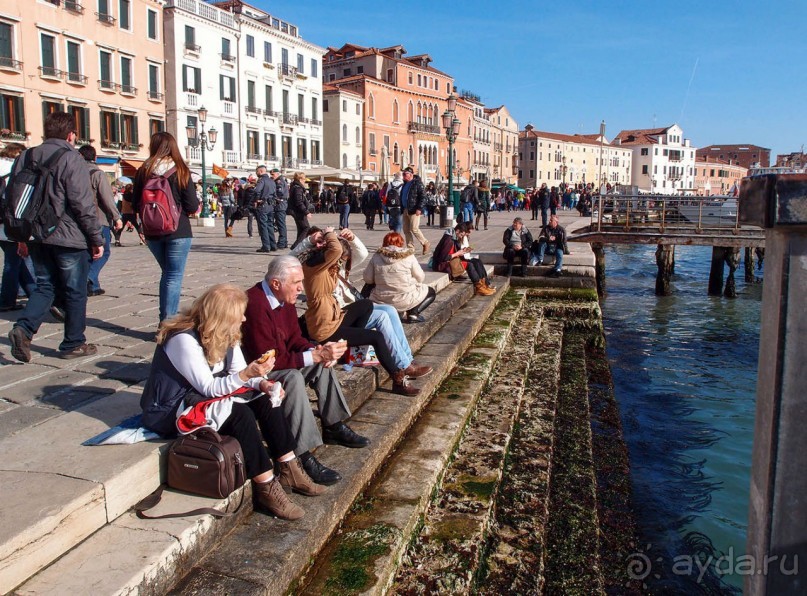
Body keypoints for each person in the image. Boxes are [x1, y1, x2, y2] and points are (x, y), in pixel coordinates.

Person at [139, 284, 323, 520]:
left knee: (265, 400)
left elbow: (237, 372)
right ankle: (266, 484)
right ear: (220, 317)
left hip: (203, 398)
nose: (244, 318)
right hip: (172, 408)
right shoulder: (183, 340)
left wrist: (263, 384)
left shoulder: (227, 332)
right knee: (239, 413)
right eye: (239, 314)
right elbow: (210, 387)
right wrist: (248, 376)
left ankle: (289, 466)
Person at [240, 256, 372, 485]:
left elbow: (295, 339)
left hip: (279, 362)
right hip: (258, 373)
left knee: (320, 363)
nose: (301, 287)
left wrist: (317, 350)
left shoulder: (284, 300)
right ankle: (301, 453)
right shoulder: (255, 305)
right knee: (292, 377)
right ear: (276, 284)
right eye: (296, 282)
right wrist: (313, 355)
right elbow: (268, 361)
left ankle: (333, 424)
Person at [7, 112, 104, 362]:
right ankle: (73, 342)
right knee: (75, 290)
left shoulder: (25, 156)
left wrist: (21, 236)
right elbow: (82, 204)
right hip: (68, 235)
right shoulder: (72, 158)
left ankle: (24, 328)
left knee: (45, 285)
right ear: (71, 134)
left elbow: (13, 198)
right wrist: (96, 238)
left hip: (34, 234)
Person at [293, 228, 432, 379]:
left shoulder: (332, 266)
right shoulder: (312, 269)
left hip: (343, 311)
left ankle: (407, 359)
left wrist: (352, 238)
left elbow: (361, 254)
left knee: (387, 310)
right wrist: (310, 241)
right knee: (382, 317)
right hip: (333, 318)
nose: (341, 261)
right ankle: (403, 366)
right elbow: (287, 260)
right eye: (318, 243)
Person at [131, 132, 199, 323]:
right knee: (173, 276)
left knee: (167, 273)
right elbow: (192, 206)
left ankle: (165, 319)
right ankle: (167, 323)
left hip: (152, 231)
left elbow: (135, 201)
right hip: (178, 230)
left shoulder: (143, 170)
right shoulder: (181, 170)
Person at [78, 145, 123, 296]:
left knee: (88, 253)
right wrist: (117, 217)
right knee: (104, 252)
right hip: (98, 219)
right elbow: (107, 198)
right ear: (95, 158)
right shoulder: (97, 174)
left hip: (77, 219)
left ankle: (94, 286)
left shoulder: (72, 172)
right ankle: (87, 278)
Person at [364, 232, 436, 324]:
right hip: (405, 300)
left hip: (381, 300)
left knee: (368, 286)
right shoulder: (408, 256)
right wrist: (411, 280)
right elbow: (421, 277)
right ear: (401, 243)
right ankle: (413, 313)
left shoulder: (376, 256)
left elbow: (368, 279)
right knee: (430, 292)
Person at [0, 142, 35, 312]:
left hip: (1, 225)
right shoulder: (14, 172)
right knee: (14, 263)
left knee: (17, 261)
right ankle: (7, 300)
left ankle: (34, 294)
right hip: (13, 225)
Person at [432, 222, 495, 296]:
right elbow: (443, 258)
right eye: (461, 235)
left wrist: (462, 252)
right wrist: (457, 254)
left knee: (474, 262)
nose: (461, 237)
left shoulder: (452, 237)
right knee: (469, 265)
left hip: (450, 261)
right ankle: (479, 287)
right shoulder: (448, 240)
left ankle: (483, 285)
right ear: (457, 231)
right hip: (441, 265)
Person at [400, 167, 430, 256]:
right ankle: (410, 248)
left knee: (414, 228)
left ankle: (425, 242)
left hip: (414, 209)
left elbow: (423, 197)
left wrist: (419, 208)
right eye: (403, 174)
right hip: (405, 209)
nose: (403, 176)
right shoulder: (404, 184)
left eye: (405, 174)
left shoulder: (417, 183)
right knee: (406, 230)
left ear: (411, 174)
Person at [253, 165, 277, 252]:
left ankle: (266, 246)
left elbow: (257, 190)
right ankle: (273, 245)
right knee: (270, 225)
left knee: (263, 225)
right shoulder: (271, 181)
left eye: (257, 172)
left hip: (263, 204)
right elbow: (275, 193)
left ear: (260, 171)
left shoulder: (262, 180)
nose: (256, 174)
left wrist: (257, 200)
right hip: (270, 205)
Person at [288, 172, 313, 250]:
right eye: (304, 178)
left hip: (296, 210)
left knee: (301, 229)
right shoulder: (298, 188)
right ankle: (295, 247)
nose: (305, 180)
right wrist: (306, 212)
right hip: (298, 211)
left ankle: (298, 247)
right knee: (306, 228)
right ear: (300, 179)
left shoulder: (295, 186)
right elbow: (299, 202)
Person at [270, 168, 289, 249]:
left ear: (277, 174)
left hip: (280, 205)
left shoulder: (279, 181)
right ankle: (284, 242)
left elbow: (279, 193)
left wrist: (273, 197)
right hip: (281, 204)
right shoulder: (280, 180)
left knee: (281, 224)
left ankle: (282, 242)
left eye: (273, 174)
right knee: (281, 224)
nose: (271, 176)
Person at [239, 174, 258, 238]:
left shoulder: (246, 189)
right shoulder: (257, 190)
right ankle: (261, 232)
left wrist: (243, 205)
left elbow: (243, 198)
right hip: (256, 206)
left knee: (250, 221)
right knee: (259, 220)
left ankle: (250, 234)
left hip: (248, 206)